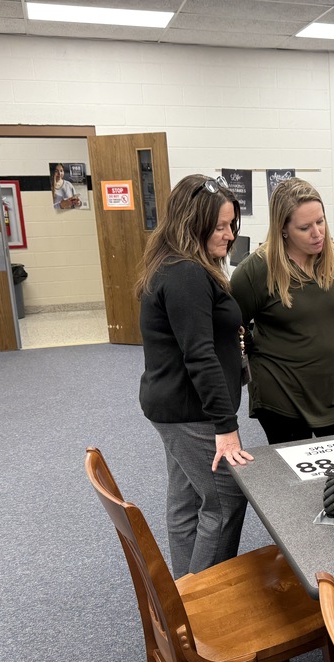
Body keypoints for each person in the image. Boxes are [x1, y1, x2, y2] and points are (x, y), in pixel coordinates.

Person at [137, 174, 253, 577]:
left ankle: (185, 598)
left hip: (172, 405)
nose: (229, 234)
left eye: (231, 224)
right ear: (192, 225)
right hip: (191, 412)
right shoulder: (185, 274)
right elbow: (199, 355)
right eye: (219, 226)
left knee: (186, 502)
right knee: (226, 501)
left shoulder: (177, 265)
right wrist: (226, 426)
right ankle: (204, 606)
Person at [230, 178, 334, 444]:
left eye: (320, 221)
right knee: (293, 482)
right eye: (304, 227)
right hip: (281, 396)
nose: (317, 233)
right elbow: (233, 326)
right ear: (284, 229)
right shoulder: (256, 270)